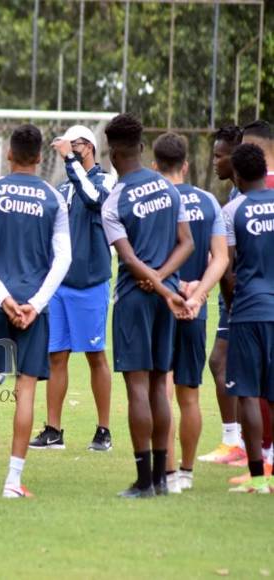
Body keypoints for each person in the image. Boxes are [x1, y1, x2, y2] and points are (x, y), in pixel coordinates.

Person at [0, 124, 72, 498]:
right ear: (41, 156)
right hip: (34, 311)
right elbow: (64, 258)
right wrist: (35, 304)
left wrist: (4, 298)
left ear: (9, 153)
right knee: (25, 393)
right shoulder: (55, 198)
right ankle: (11, 483)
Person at [100, 113, 194, 498]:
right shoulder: (170, 189)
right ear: (140, 148)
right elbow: (186, 242)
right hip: (164, 298)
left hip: (137, 300)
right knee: (160, 385)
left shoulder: (114, 201)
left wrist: (153, 280)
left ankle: (143, 481)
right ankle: (160, 478)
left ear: (113, 153)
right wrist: (166, 282)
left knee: (137, 387)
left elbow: (128, 258)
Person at [151, 133, 228, 493]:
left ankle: (166, 475)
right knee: (190, 395)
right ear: (185, 165)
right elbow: (220, 259)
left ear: (155, 165)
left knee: (162, 392)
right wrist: (198, 294)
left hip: (163, 306)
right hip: (194, 311)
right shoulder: (209, 201)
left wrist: (176, 288)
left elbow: (146, 258)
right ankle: (185, 473)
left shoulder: (153, 201)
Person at [31, 125, 115, 451]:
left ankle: (103, 430)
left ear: (89, 147)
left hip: (90, 283)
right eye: (67, 144)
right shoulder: (63, 187)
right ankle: (54, 430)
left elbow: (94, 201)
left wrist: (69, 159)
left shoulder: (105, 181)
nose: (69, 147)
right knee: (56, 357)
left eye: (76, 143)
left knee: (95, 356)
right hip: (60, 285)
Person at [221, 142, 274, 493]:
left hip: (248, 310)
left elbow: (226, 269)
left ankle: (257, 476)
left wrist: (232, 302)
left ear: (237, 175)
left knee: (249, 394)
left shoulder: (232, 210)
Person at [200, 125, 245, 465]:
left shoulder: (244, 198)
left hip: (241, 295)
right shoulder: (232, 195)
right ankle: (238, 441)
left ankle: (240, 442)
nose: (215, 162)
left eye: (220, 155)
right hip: (230, 292)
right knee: (224, 363)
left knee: (222, 362)